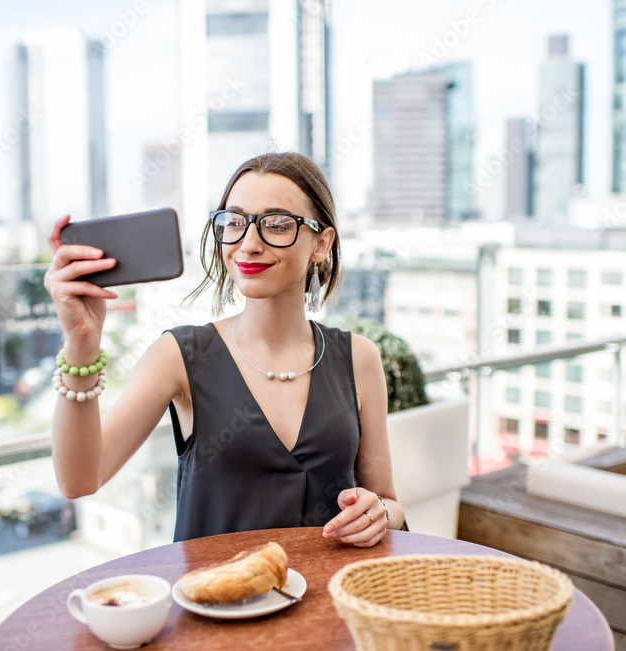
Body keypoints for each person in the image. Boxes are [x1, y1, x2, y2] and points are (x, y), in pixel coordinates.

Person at [44, 151, 404, 547]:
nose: (248, 244)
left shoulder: (359, 358)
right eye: (234, 222)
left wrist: (378, 513)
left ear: (322, 243)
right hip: (212, 605)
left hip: (328, 603)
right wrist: (81, 344)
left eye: (277, 224)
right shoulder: (179, 356)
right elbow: (80, 479)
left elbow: (387, 500)